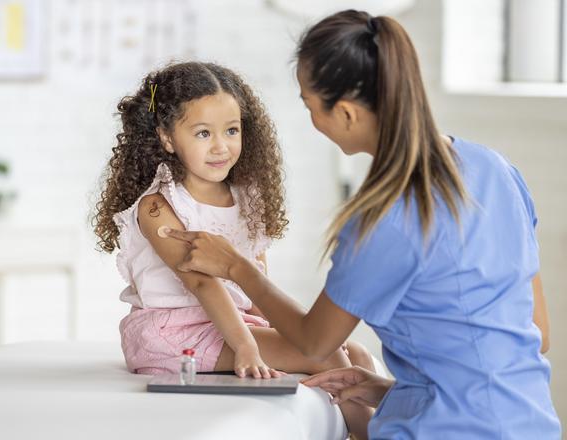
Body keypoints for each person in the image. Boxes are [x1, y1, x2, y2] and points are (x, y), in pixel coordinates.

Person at [162, 11, 562, 439]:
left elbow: (314, 342)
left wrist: (236, 267)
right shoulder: (495, 169)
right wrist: (399, 392)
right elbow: (534, 333)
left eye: (311, 106)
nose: (313, 121)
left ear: (348, 114)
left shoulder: (380, 220)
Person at [93, 61, 374, 438]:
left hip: (229, 324)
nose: (221, 146)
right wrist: (246, 347)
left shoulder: (247, 198)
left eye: (231, 130)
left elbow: (256, 284)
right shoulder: (159, 206)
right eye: (203, 133)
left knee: (355, 355)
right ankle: (372, 434)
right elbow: (203, 285)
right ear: (167, 138)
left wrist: (280, 331)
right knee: (324, 356)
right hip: (175, 331)